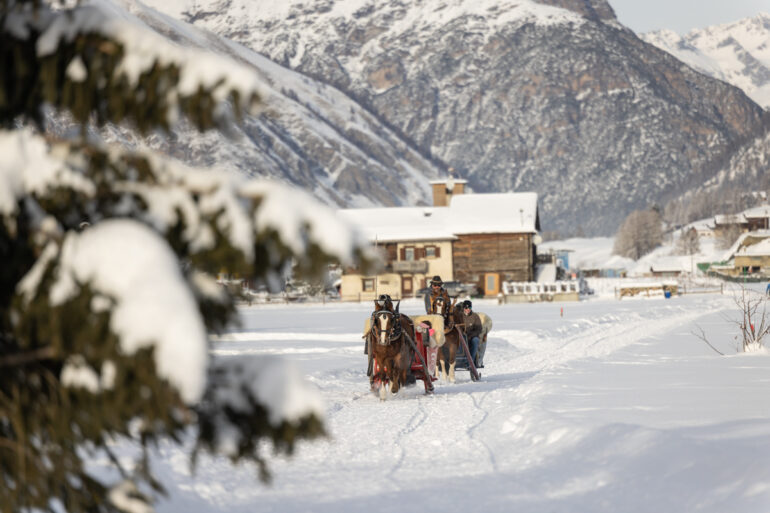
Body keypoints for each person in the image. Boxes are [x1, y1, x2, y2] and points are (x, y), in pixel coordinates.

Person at [462, 300, 482, 367]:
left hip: (471, 336)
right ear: (463, 308)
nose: (468, 310)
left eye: (469, 308)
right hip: (461, 336)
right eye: (466, 308)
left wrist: (471, 335)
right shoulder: (459, 315)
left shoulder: (475, 316)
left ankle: (471, 361)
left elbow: (479, 328)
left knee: (475, 340)